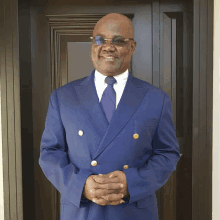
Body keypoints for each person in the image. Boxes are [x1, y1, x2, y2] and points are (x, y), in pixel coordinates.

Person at [39, 13, 180, 220]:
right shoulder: (63, 97)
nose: (108, 47)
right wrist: (81, 186)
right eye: (100, 40)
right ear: (92, 45)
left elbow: (168, 154)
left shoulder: (156, 99)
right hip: (83, 211)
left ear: (132, 47)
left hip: (133, 211)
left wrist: (131, 183)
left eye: (118, 41)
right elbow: (50, 153)